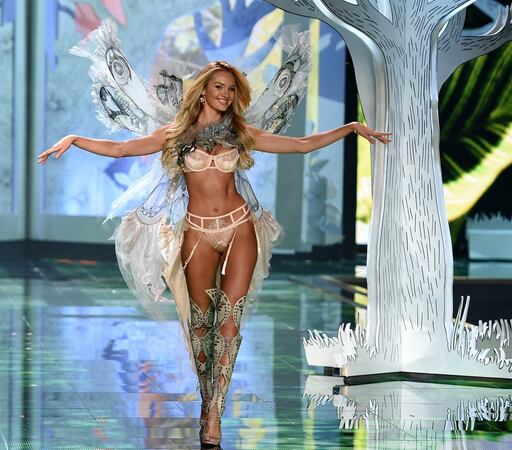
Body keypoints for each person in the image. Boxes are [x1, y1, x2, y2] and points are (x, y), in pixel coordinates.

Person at [38, 61, 390, 447]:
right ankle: (207, 400)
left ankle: (214, 414)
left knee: (229, 326)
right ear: (203, 91)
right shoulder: (178, 135)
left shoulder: (241, 135)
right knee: (201, 329)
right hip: (197, 235)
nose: (225, 94)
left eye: (231, 89)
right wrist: (74, 138)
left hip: (240, 228)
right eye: (219, 87)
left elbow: (301, 145)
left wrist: (352, 127)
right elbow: (122, 149)